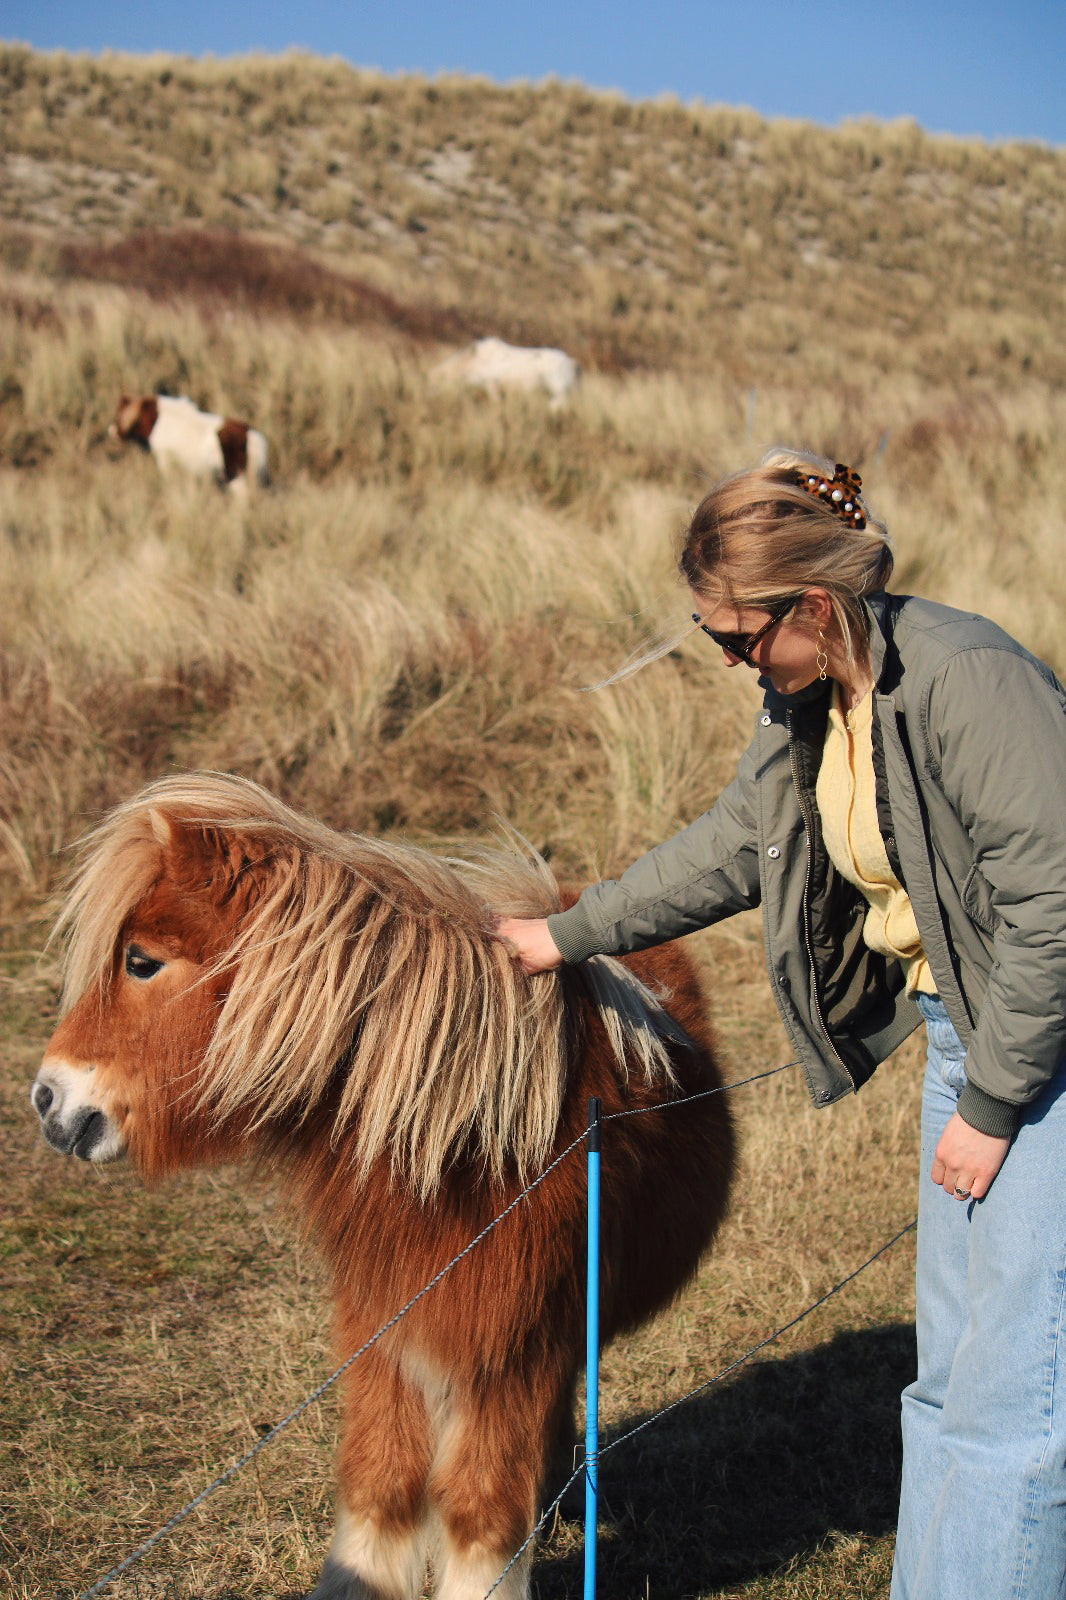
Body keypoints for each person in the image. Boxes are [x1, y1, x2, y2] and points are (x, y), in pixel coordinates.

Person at [498, 448, 1066, 1599]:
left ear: (810, 605)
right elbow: (729, 849)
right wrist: (567, 933)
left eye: (732, 635)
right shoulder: (812, 699)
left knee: (1015, 1390)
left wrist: (998, 1105)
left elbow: (1054, 903)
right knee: (949, 1376)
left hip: (1039, 1047)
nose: (723, 658)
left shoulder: (965, 679)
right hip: (970, 1033)